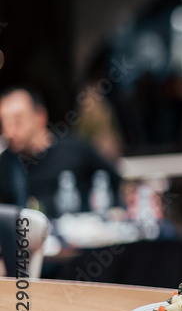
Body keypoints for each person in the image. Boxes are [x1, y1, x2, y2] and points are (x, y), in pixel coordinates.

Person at [0, 86, 121, 216]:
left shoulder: (75, 149)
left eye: (18, 121)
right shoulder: (6, 164)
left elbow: (115, 185)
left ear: (40, 117)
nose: (9, 131)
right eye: (4, 123)